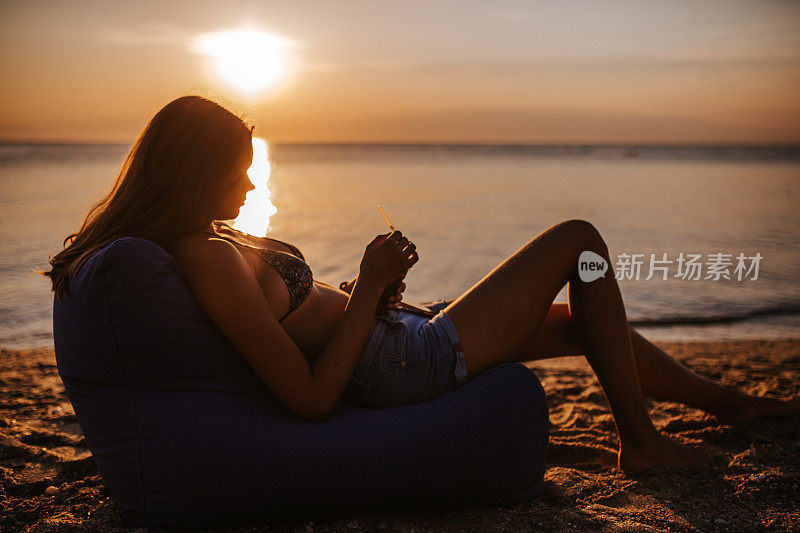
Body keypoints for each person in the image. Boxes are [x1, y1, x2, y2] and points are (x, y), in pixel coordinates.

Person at [41, 95, 800, 473]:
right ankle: (642, 441)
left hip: (391, 336)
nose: (248, 181)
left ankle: (730, 402)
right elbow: (309, 400)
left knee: (578, 322)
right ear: (194, 169)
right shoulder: (204, 259)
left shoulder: (207, 240)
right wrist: (369, 289)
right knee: (580, 242)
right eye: (237, 167)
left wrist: (365, 292)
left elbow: (299, 317)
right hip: (401, 363)